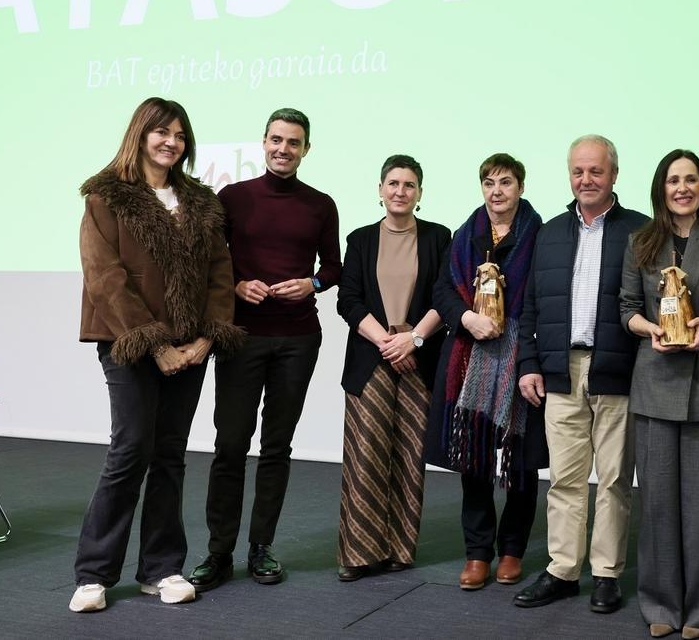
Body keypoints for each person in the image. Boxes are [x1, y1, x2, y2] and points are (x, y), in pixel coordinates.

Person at [72, 97, 242, 612]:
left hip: (191, 349)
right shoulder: (106, 196)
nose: (172, 142)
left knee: (170, 456)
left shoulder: (201, 202)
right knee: (129, 452)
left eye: (181, 135)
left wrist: (207, 337)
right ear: (140, 134)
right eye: (161, 132)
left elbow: (220, 274)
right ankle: (94, 574)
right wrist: (154, 344)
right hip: (127, 343)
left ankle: (161, 568)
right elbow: (105, 278)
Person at [188, 108, 341, 591]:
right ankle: (218, 552)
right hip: (241, 337)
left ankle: (261, 547)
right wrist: (237, 286)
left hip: (298, 338)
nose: (283, 148)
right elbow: (212, 263)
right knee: (230, 445)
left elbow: (333, 268)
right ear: (263, 142)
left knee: (276, 447)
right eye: (276, 139)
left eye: (293, 142)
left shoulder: (321, 204)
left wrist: (311, 284)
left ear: (306, 149)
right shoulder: (232, 197)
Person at [618, 149, 699, 639]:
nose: (682, 188)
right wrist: (648, 327)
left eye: (691, 179)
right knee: (657, 503)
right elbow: (626, 307)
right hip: (655, 381)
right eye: (673, 180)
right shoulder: (641, 243)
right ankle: (661, 606)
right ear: (661, 188)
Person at [513, 134, 648, 612]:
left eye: (595, 171)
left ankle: (606, 573)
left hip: (618, 369)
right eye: (578, 171)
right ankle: (563, 570)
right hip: (561, 371)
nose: (586, 180)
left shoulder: (642, 230)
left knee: (613, 479)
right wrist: (530, 365)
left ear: (614, 174)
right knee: (565, 479)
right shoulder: (548, 232)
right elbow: (529, 307)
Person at [425, 153, 546, 591]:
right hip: (469, 354)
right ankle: (478, 553)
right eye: (489, 182)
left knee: (521, 459)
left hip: (522, 357)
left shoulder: (541, 235)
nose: (497, 191)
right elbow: (442, 289)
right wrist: (466, 318)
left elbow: (545, 296)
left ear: (521, 187)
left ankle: (512, 549)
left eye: (506, 182)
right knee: (473, 458)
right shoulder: (464, 236)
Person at [334, 154, 451, 581]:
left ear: (420, 193)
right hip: (372, 356)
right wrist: (385, 340)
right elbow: (348, 299)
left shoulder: (439, 237)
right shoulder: (361, 239)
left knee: (409, 456)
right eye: (393, 183)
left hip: (419, 357)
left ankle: (400, 549)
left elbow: (445, 295)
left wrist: (413, 338)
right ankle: (359, 554)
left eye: (409, 185)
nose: (400, 192)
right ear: (380, 189)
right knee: (365, 456)